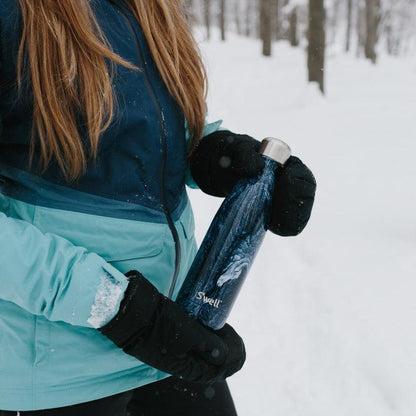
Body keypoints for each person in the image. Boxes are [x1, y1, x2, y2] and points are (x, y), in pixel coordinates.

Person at [0, 0, 316, 415]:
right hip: (54, 375)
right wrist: (119, 309)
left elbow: (136, 121)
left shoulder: (146, 6)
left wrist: (212, 153)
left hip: (168, 343)